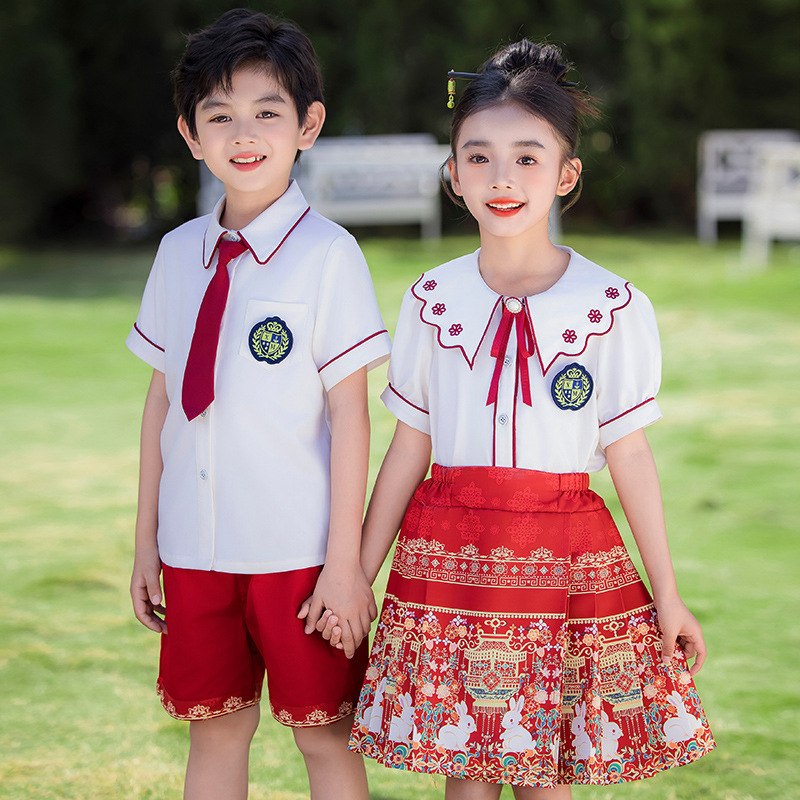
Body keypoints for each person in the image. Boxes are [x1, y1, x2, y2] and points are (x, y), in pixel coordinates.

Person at [336, 40, 715, 798]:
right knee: (468, 775)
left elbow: (629, 454)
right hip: (449, 558)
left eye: (527, 158)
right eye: (478, 157)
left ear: (566, 174)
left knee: (548, 776)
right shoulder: (430, 299)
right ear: (453, 174)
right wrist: (355, 573)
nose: (501, 179)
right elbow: (409, 448)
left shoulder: (612, 306)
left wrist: (667, 592)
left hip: (564, 556)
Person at [126, 9, 390, 800]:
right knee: (215, 729)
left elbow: (350, 417)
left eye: (267, 112)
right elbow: (161, 402)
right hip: (194, 548)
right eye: (220, 116)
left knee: (325, 734)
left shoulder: (329, 256)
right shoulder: (178, 254)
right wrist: (146, 541)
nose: (244, 134)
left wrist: (344, 565)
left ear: (307, 125)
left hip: (298, 554)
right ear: (190, 133)